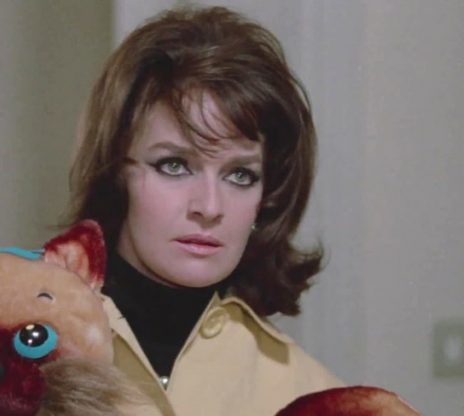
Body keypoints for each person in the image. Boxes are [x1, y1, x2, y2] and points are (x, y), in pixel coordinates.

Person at [66, 6, 342, 415]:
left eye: (240, 175)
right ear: (116, 172)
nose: (209, 207)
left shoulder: (313, 395)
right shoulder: (21, 350)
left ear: (267, 196)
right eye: (174, 166)